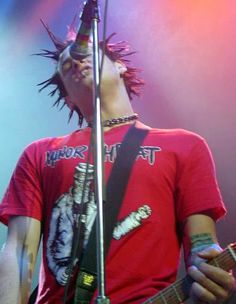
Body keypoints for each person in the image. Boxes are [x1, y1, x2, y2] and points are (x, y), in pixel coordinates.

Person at [0, 19, 235, 304]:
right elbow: (20, 254)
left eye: (84, 53)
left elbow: (202, 245)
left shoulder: (185, 145)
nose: (74, 62)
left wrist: (209, 276)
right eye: (65, 66)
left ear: (120, 65)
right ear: (68, 97)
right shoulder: (39, 153)